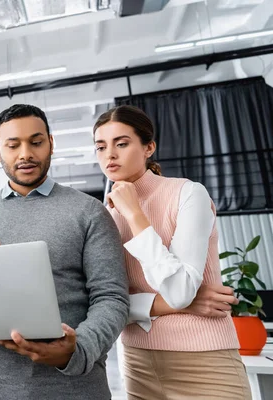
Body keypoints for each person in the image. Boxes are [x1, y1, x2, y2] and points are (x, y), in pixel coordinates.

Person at [0, 104, 129, 400]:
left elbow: (112, 297)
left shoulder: (89, 212)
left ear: (51, 143)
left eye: (36, 142)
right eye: (13, 145)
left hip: (73, 390)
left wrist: (76, 350)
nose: (25, 154)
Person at [93, 105, 251, 399]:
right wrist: (175, 305)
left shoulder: (188, 193)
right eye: (101, 147)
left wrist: (134, 215)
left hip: (205, 361)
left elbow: (178, 290)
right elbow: (106, 302)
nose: (109, 155)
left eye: (122, 143)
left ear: (148, 147)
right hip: (138, 364)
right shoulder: (103, 216)